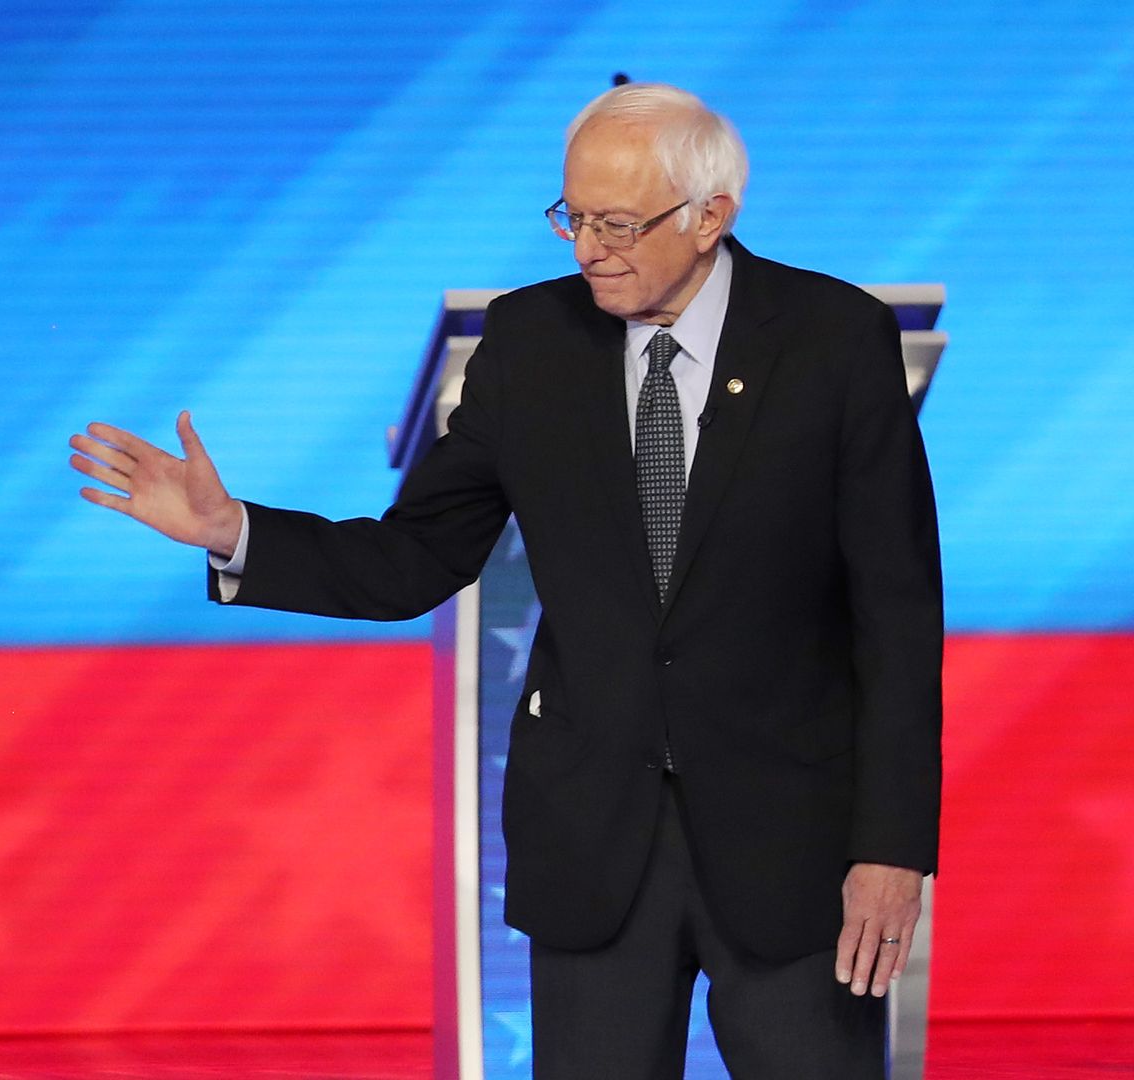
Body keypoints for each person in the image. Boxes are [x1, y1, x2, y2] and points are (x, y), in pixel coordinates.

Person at [71, 82, 941, 1079]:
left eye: (619, 223)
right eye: (572, 217)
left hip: (794, 848)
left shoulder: (833, 340)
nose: (587, 248)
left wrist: (893, 848)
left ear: (713, 217)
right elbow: (417, 556)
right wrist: (234, 532)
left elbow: (899, 617)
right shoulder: (532, 343)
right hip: (593, 846)